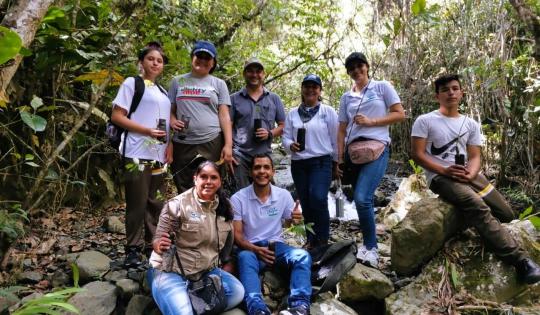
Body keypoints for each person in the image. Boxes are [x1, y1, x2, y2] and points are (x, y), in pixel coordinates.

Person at [411, 74, 540, 284]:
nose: (451, 93)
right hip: (441, 177)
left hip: (468, 175)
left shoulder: (470, 124)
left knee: (506, 213)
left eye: (455, 88)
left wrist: (470, 174)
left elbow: (475, 156)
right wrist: (445, 171)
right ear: (437, 96)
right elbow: (418, 154)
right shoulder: (425, 120)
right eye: (445, 90)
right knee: (476, 205)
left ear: (462, 93)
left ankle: (481, 228)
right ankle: (522, 262)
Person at [147, 161, 245, 314]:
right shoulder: (177, 204)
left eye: (213, 177)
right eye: (203, 177)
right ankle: (186, 304)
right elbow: (159, 237)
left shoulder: (226, 207)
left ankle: (192, 303)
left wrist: (227, 261)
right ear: (195, 179)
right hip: (170, 271)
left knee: (237, 292)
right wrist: (158, 244)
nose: (208, 182)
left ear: (220, 181)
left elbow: (227, 244)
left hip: (205, 272)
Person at [337, 52, 405, 268]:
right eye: (352, 68)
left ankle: (372, 248)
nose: (357, 71)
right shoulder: (346, 97)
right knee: (361, 200)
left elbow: (399, 114)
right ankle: (367, 244)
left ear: (367, 66)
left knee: (362, 198)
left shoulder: (381, 87)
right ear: (349, 73)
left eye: (360, 66)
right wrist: (338, 158)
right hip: (353, 153)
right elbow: (341, 130)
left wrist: (371, 121)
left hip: (377, 148)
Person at [111, 42, 172, 267]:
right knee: (137, 201)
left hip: (158, 154)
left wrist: (169, 148)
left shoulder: (162, 91)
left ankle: (151, 244)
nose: (156, 63)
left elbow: (166, 125)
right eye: (151, 59)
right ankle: (133, 249)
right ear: (141, 62)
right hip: (136, 151)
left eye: (160, 60)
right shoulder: (132, 83)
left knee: (155, 202)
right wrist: (146, 130)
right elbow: (117, 116)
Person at [231, 154, 312, 315]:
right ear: (250, 172)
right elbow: (237, 237)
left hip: (276, 247)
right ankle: (257, 308)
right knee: (244, 258)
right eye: (257, 167)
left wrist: (295, 220)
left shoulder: (283, 195)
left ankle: (300, 306)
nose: (262, 171)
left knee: (302, 256)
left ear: (273, 171)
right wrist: (256, 250)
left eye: (266, 167)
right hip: (250, 249)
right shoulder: (238, 199)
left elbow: (288, 224)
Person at [168, 40, 233, 194]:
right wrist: (172, 121)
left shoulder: (218, 84)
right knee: (184, 184)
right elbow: (169, 110)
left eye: (207, 58)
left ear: (213, 63)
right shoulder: (178, 81)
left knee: (212, 184)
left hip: (212, 141)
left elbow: (224, 115)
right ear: (192, 57)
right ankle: (188, 217)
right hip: (183, 142)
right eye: (199, 56)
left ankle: (211, 216)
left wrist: (228, 145)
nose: (202, 61)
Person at [282, 74, 338, 249]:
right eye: (307, 86)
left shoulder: (327, 112)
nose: (310, 90)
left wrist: (337, 163)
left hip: (321, 162)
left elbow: (336, 139)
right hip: (299, 164)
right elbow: (285, 137)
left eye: (314, 87)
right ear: (302, 89)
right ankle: (311, 240)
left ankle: (322, 240)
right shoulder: (292, 113)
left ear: (320, 91)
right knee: (305, 201)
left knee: (318, 197)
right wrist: (291, 145)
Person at [230, 57, 286, 189]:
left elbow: (283, 126)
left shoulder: (274, 98)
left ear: (263, 74)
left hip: (264, 154)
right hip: (240, 156)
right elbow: (227, 126)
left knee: (267, 194)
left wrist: (270, 133)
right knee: (241, 194)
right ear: (244, 74)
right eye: (250, 71)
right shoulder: (234, 99)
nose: (254, 75)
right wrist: (228, 150)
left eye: (258, 71)